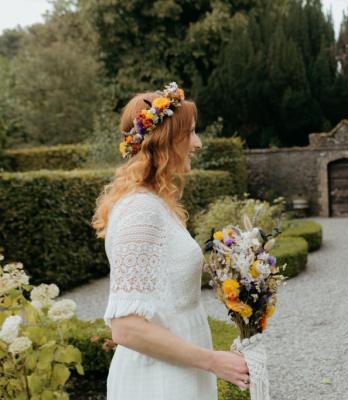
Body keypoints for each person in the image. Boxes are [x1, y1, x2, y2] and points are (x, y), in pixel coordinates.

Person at [92, 83, 249, 399]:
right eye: (190, 133)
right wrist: (214, 361)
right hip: (157, 383)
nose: (198, 143)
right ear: (164, 141)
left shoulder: (156, 203)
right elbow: (126, 327)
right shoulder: (139, 211)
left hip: (179, 373)